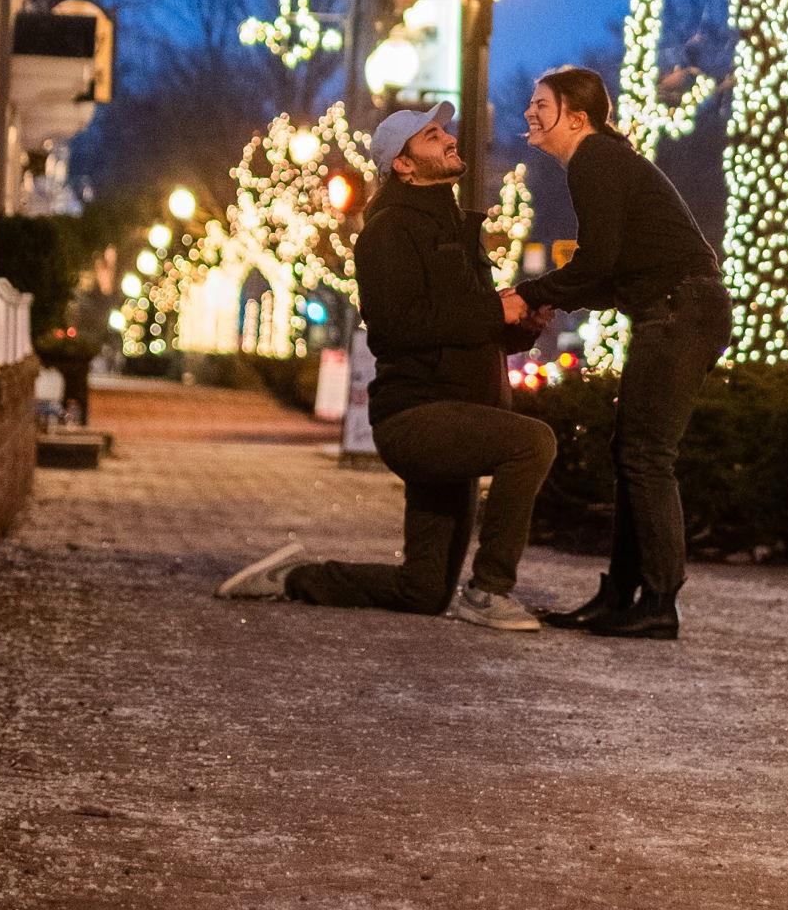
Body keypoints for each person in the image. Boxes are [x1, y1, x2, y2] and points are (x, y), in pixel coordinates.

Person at [213, 102, 556, 632]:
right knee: (533, 442)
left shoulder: (456, 230)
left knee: (422, 592)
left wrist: (520, 326)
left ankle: (298, 578)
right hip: (419, 416)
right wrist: (494, 308)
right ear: (404, 164)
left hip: (457, 415)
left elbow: (463, 329)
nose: (448, 139)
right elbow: (398, 328)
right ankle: (489, 591)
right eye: (432, 136)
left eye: (445, 130)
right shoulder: (390, 231)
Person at [513, 65, 732, 641]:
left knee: (646, 455)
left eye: (542, 104)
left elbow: (599, 262)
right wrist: (551, 302)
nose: (531, 112)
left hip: (681, 310)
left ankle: (658, 600)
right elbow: (614, 275)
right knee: (632, 451)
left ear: (577, 117)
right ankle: (623, 594)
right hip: (676, 307)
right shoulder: (604, 162)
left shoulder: (594, 160)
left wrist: (530, 295)